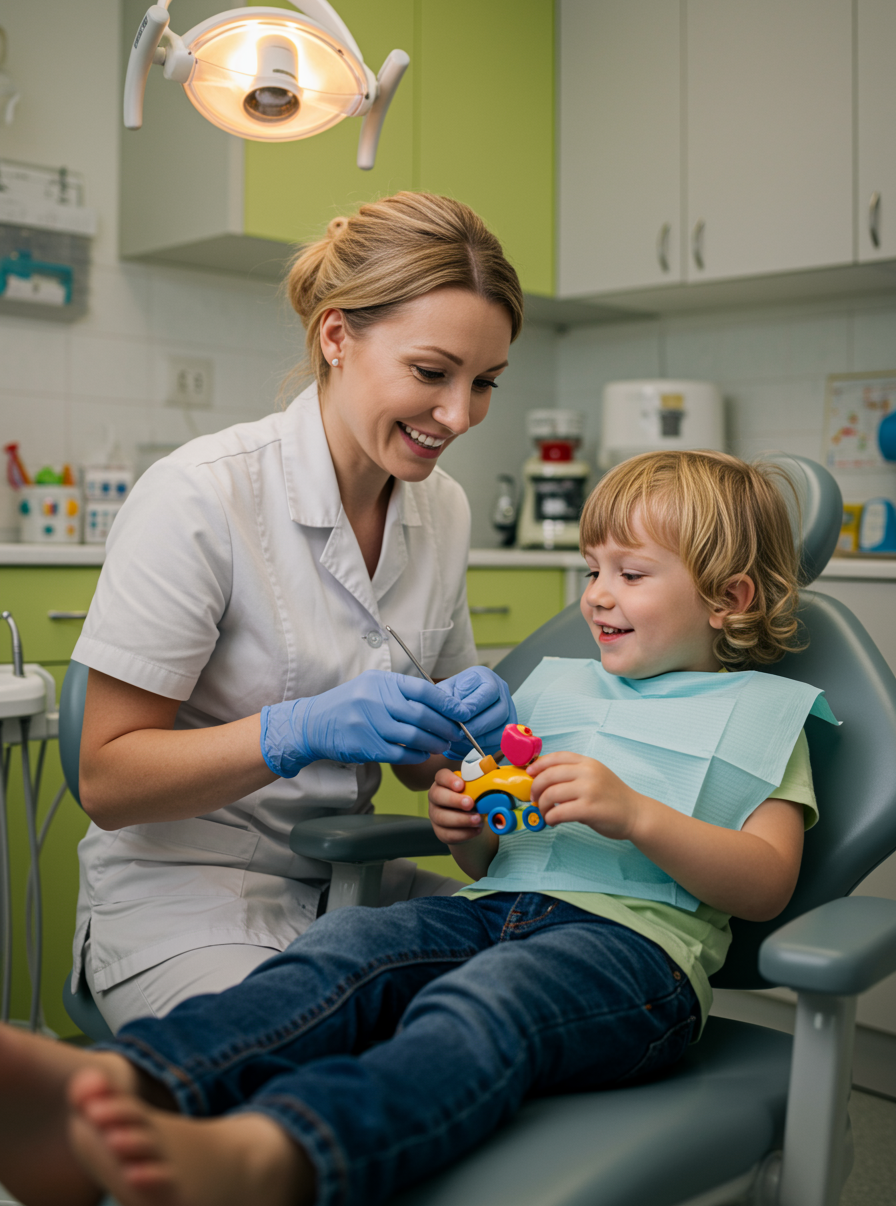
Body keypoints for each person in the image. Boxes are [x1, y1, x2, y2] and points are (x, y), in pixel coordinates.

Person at [0, 450, 836, 1206]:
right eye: (592, 569)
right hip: (490, 913)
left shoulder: (765, 715)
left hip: (635, 958)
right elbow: (493, 854)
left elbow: (766, 884)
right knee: (348, 948)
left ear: (729, 600)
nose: (597, 594)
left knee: (485, 1002)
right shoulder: (561, 687)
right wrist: (463, 823)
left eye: (632, 573)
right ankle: (126, 1083)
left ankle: (279, 1153)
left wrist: (639, 816)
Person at [70, 192, 521, 1031]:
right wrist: (294, 730)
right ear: (337, 336)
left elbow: (426, 769)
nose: (460, 415)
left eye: (485, 382)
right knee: (315, 1069)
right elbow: (106, 780)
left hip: (353, 885)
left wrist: (468, 736)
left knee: (558, 986)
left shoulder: (443, 508)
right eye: (432, 373)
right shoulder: (201, 494)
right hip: (188, 899)